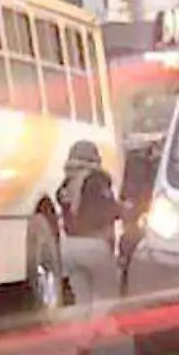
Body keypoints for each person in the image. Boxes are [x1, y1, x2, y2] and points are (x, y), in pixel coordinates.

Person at [54, 140, 126, 351]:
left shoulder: (65, 184)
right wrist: (125, 209)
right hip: (94, 245)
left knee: (82, 300)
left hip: (68, 246)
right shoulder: (96, 179)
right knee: (108, 295)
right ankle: (95, 339)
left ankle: (81, 344)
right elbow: (106, 209)